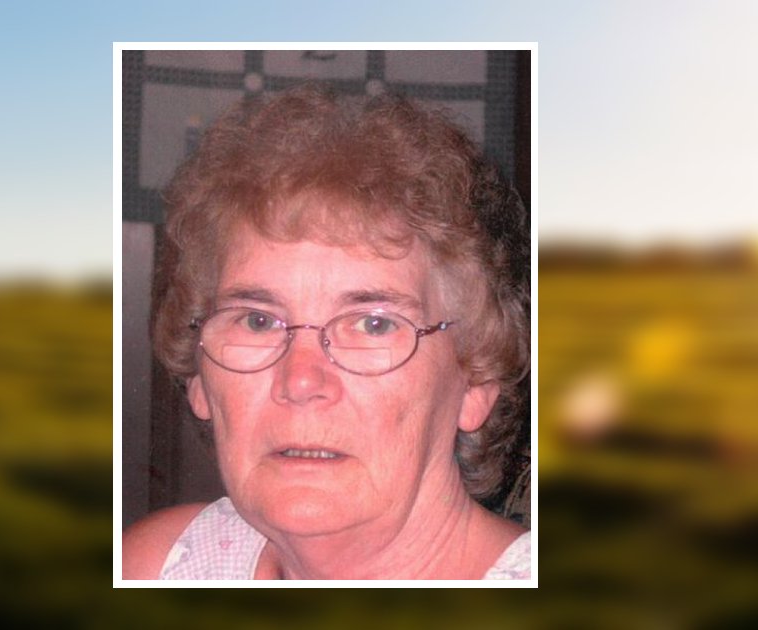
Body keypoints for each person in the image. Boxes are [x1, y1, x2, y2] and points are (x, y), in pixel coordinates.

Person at [122, 83, 531, 580]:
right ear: (199, 381)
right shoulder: (162, 566)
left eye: (373, 324)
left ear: (476, 382)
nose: (300, 381)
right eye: (256, 320)